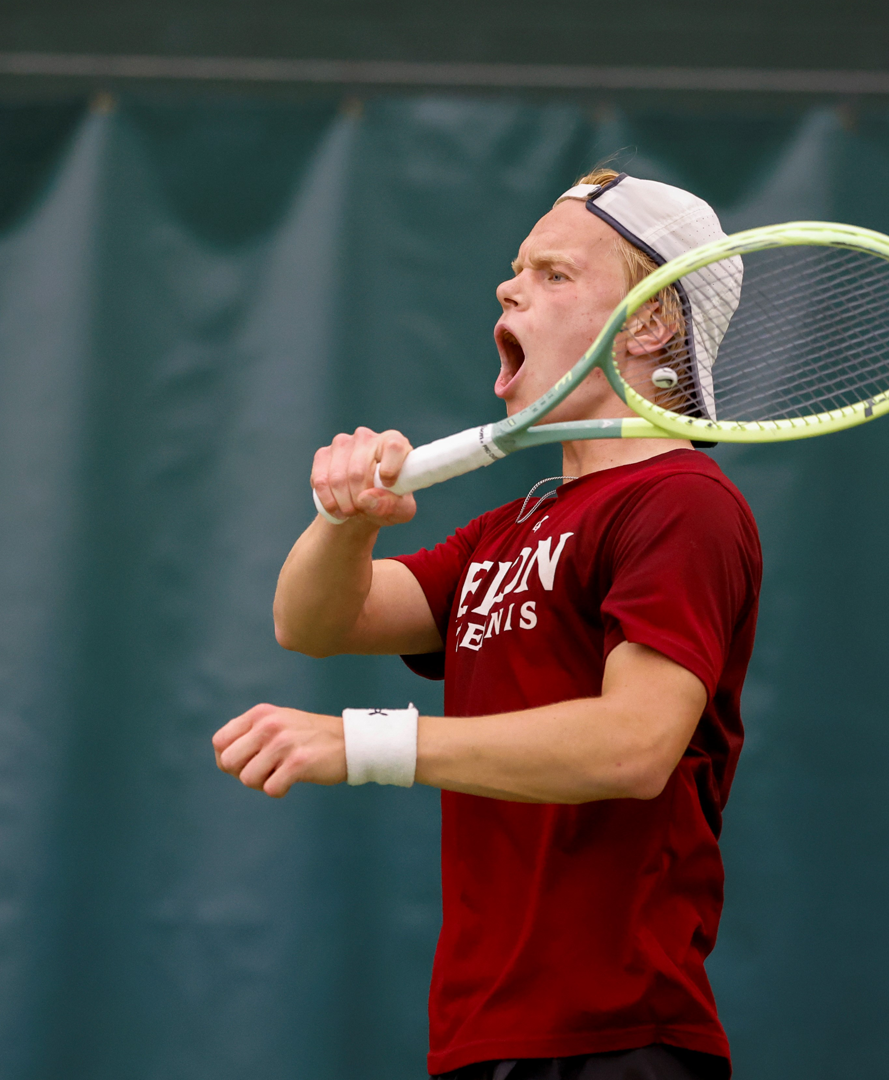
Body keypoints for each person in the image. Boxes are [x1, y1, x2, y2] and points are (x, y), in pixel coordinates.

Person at [212, 170, 762, 1080]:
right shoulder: (517, 527)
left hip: (617, 1038)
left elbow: (633, 746)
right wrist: (347, 517)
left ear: (651, 323)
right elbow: (313, 621)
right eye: (516, 268)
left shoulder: (682, 503)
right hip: (484, 1036)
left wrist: (365, 744)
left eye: (553, 274)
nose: (509, 288)